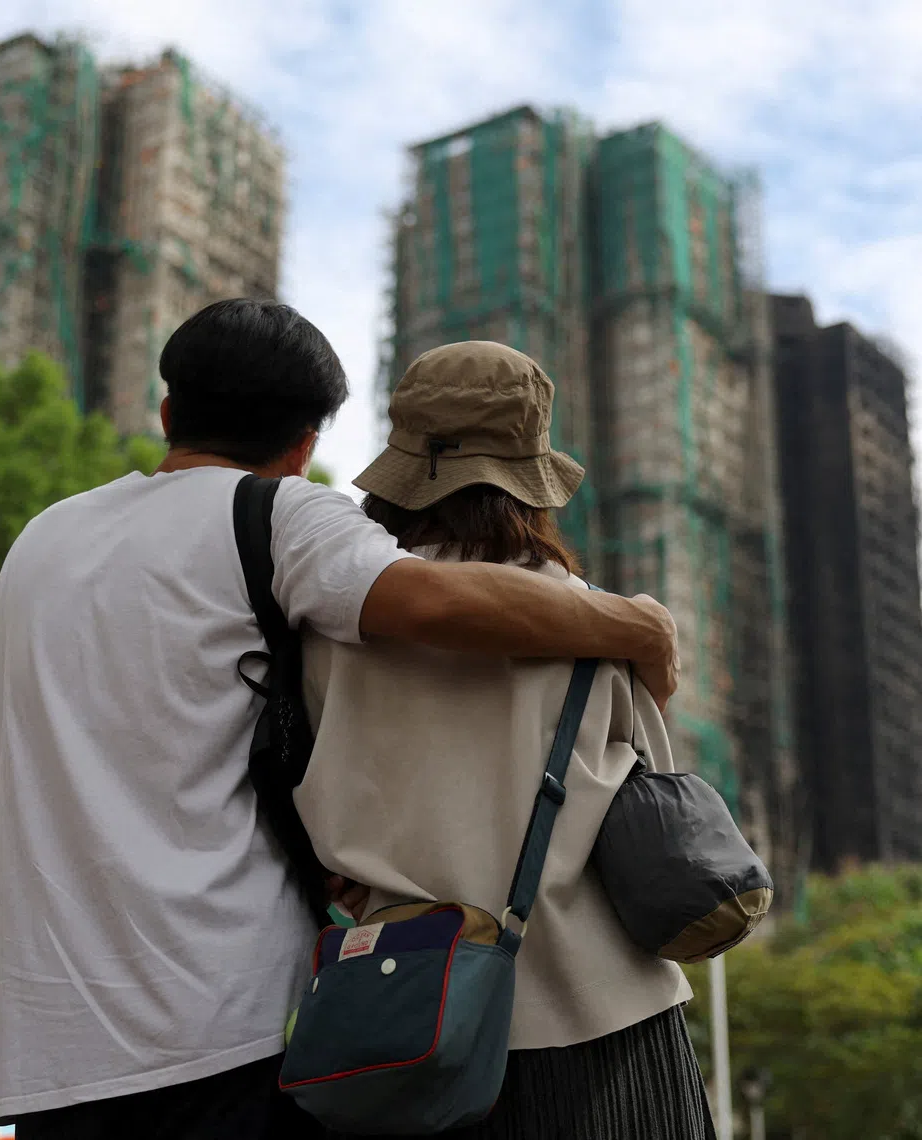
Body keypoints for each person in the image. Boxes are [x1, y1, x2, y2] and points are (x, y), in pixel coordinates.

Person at [0, 301, 681, 1139]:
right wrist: (639, 626)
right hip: (236, 1030)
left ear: (168, 414)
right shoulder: (280, 520)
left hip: (54, 1052)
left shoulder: (41, 540)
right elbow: (435, 604)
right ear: (306, 444)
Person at [295, 340, 715, 1140]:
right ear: (530, 477)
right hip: (603, 1015)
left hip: (403, 1024)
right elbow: (655, 787)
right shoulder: (597, 623)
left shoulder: (327, 631)